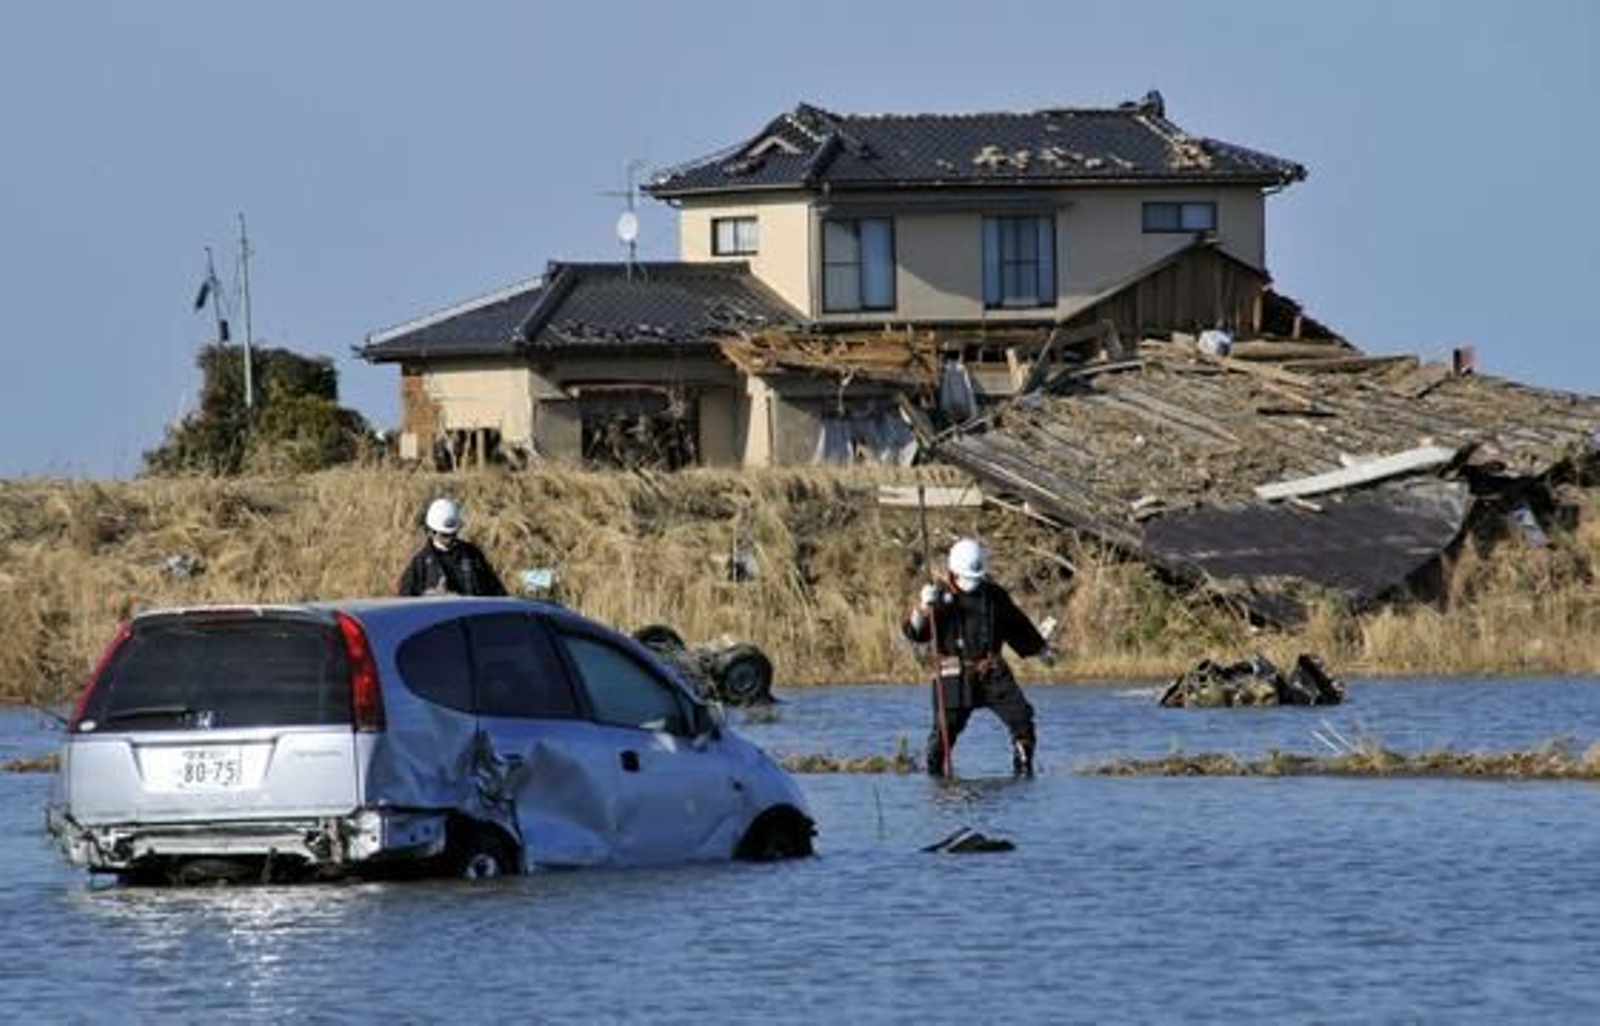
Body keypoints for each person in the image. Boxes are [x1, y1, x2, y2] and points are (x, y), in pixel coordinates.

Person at [902, 537, 1054, 778]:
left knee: (1022, 717)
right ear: (953, 571)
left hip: (992, 671)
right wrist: (921, 610)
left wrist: (1040, 649)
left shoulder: (994, 596)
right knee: (945, 730)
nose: (971, 583)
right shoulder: (937, 597)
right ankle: (935, 773)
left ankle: (1024, 770)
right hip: (953, 675)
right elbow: (917, 633)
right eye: (965, 577)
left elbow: (1016, 624)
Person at [397, 498, 507, 597]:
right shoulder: (420, 564)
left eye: (454, 533)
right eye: (444, 535)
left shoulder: (472, 555)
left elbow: (496, 592)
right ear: (432, 532)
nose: (450, 538)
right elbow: (406, 603)